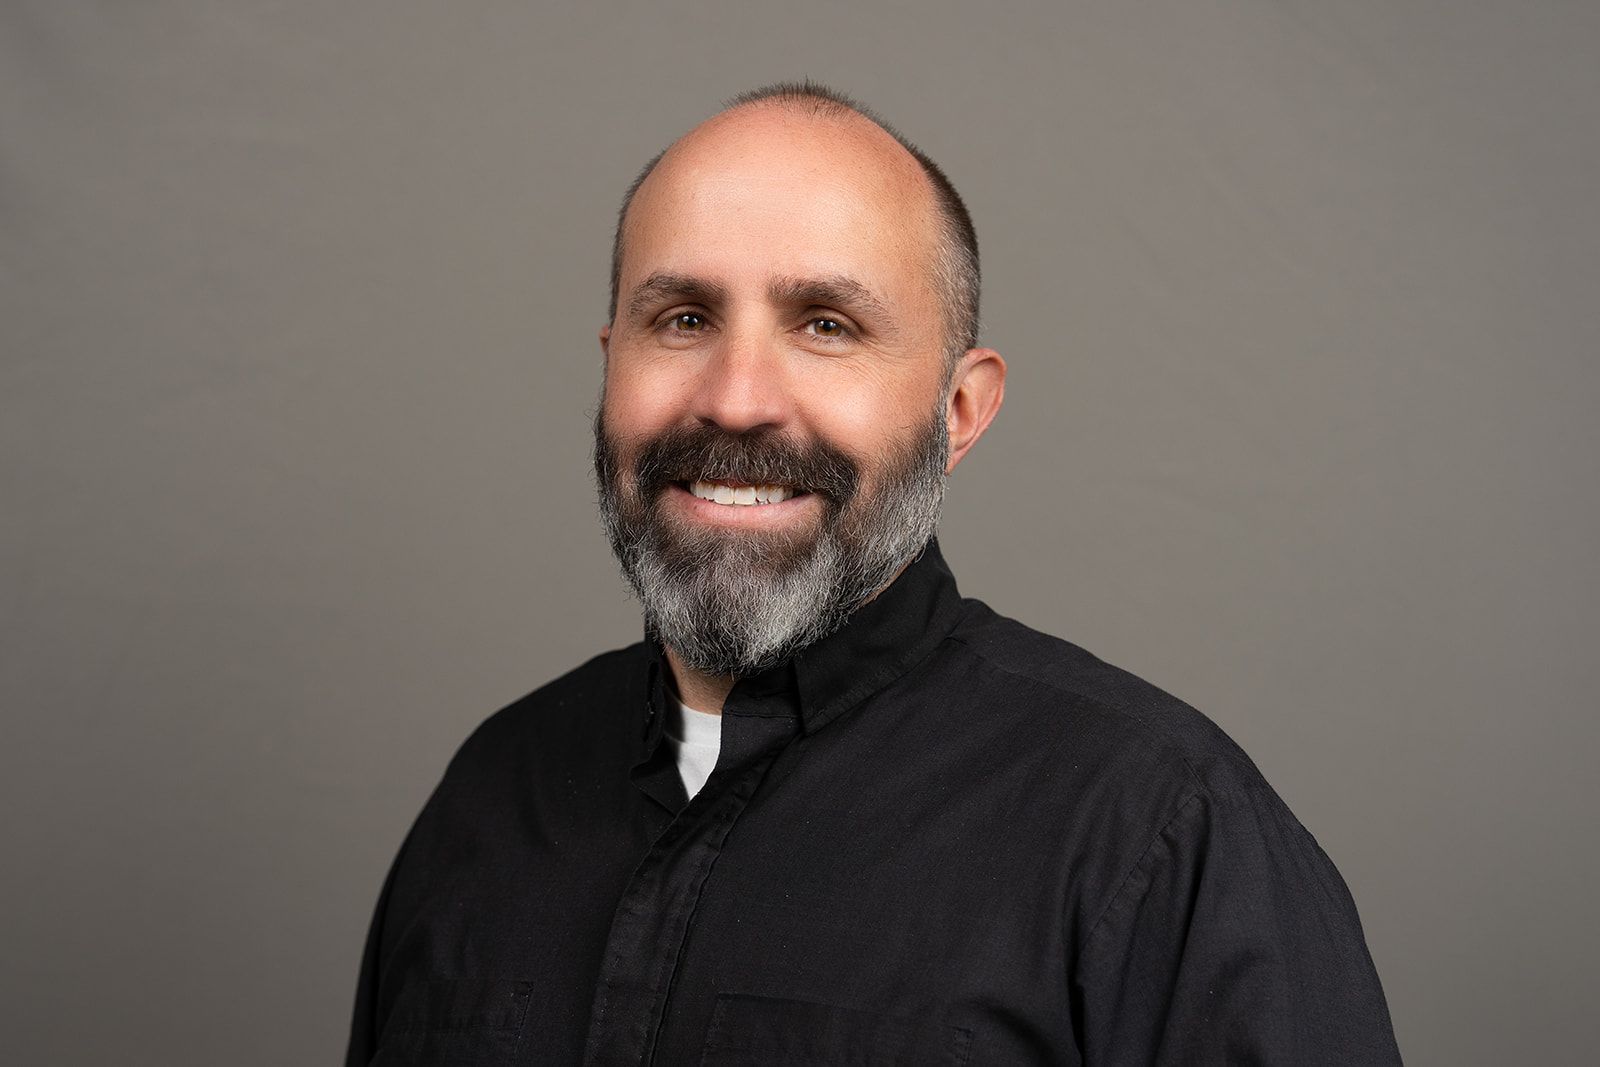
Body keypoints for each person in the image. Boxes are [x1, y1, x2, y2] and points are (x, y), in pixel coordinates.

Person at [346, 83, 1401, 1066]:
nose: (737, 397)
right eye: (683, 319)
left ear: (958, 413)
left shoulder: (1156, 830)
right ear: (610, 356)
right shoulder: (491, 794)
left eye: (826, 325)